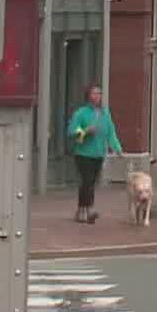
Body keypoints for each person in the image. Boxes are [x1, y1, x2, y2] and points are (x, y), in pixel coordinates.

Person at [66, 83, 124, 224]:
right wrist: (86, 131)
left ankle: (82, 209)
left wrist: (117, 148)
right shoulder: (81, 113)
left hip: (98, 153)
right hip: (83, 153)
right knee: (87, 180)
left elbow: (111, 132)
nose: (97, 96)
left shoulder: (105, 113)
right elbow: (72, 131)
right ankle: (87, 209)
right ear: (88, 96)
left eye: (99, 93)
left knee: (91, 182)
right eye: (94, 93)